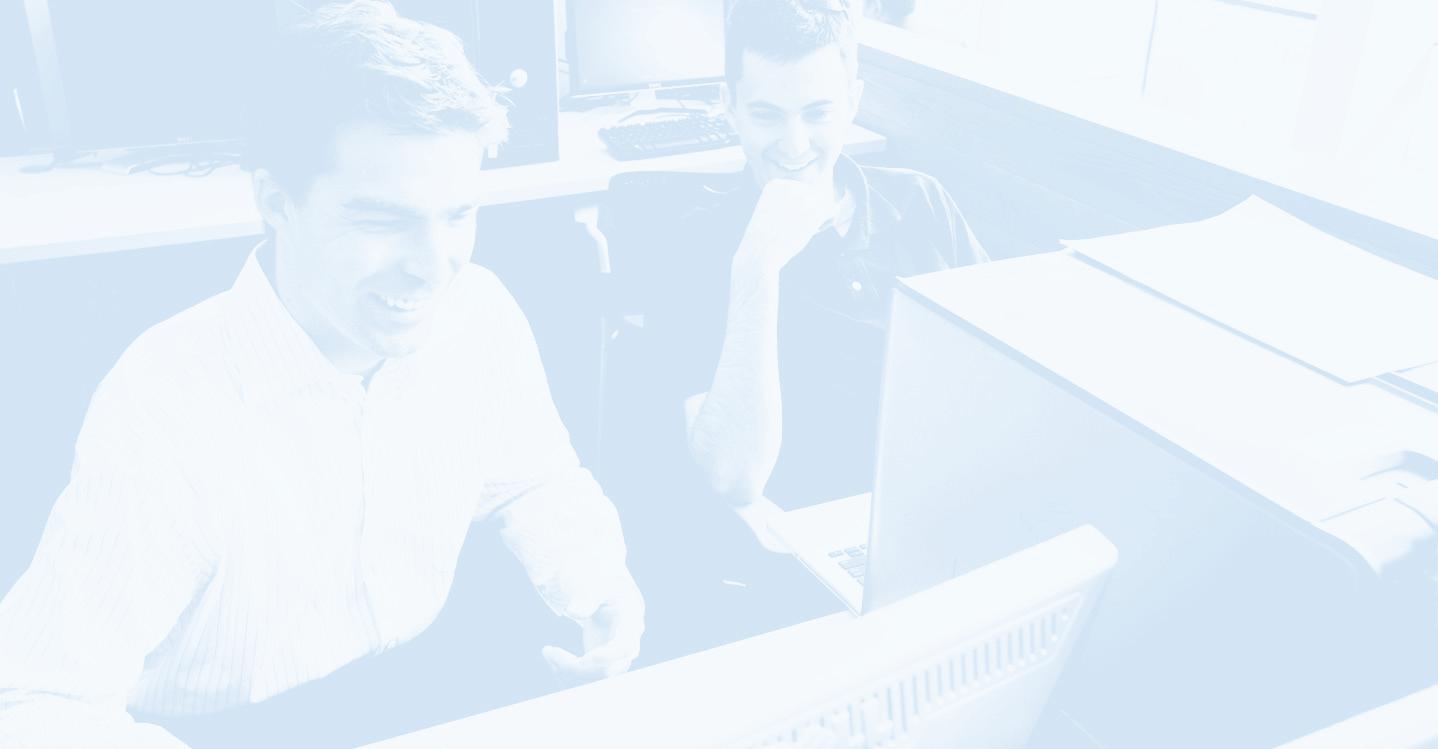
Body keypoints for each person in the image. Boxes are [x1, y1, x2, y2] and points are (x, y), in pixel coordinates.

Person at [0, 2, 642, 746]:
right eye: (383, 221)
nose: (434, 266)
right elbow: (35, 699)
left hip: (427, 680)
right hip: (223, 729)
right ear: (276, 201)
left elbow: (530, 479)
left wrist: (596, 583)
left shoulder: (479, 313)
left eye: (457, 215)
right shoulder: (164, 406)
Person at [598, 0, 986, 653]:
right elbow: (734, 473)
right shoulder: (695, 243)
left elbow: (993, 380)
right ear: (729, 107)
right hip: (791, 563)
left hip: (928, 525)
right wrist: (758, 263)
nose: (795, 143)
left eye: (818, 113)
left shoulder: (922, 205)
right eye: (767, 114)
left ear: (853, 101)